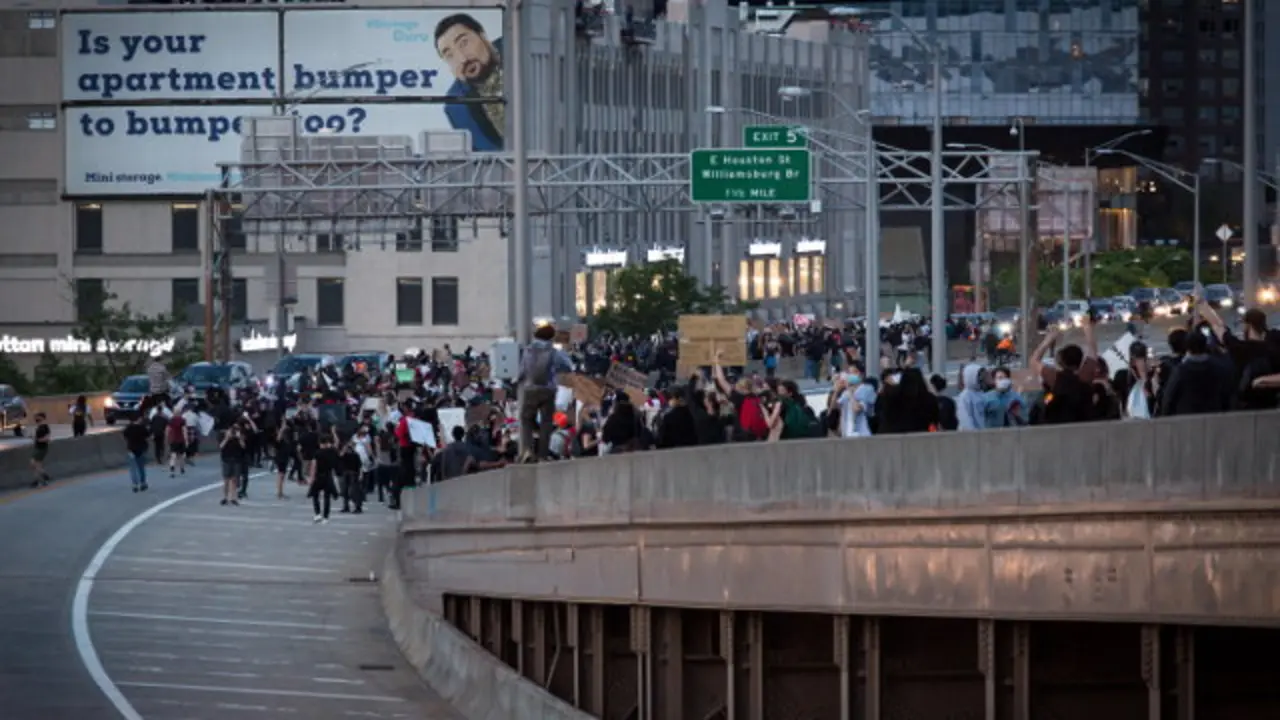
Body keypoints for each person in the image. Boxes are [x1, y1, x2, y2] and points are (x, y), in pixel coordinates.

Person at [434, 13, 505, 151]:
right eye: (449, 55)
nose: (462, 59)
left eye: (464, 43)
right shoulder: (455, 106)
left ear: (482, 36)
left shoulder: (521, 48)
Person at [517, 324, 573, 462]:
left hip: (530, 390)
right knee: (546, 422)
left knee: (526, 420)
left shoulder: (528, 350)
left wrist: (518, 381)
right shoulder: (553, 352)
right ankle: (543, 454)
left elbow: (522, 371)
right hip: (548, 390)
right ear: (550, 337)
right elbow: (568, 366)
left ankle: (527, 450)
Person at [309, 432, 340, 523]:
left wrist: (312, 478)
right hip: (328, 475)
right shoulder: (332, 452)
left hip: (319, 476)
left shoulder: (317, 453)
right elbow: (337, 443)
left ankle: (317, 514)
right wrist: (334, 432)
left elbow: (314, 466)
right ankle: (326, 517)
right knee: (327, 497)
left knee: (315, 495)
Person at [218, 423, 244, 506]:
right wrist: (227, 438)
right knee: (226, 480)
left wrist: (239, 438)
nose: (234, 432)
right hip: (226, 460)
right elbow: (221, 447)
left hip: (236, 460)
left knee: (234, 480)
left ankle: (233, 498)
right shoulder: (223, 436)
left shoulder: (239, 437)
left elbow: (243, 446)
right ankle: (225, 497)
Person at [123, 415, 150, 493]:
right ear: (138, 419)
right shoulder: (142, 428)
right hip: (141, 449)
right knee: (141, 468)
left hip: (131, 449)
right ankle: (143, 483)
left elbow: (125, 436)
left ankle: (135, 485)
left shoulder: (128, 428)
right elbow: (148, 436)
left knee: (133, 468)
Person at [29, 412, 51, 488]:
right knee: (37, 465)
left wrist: (38, 440)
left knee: (33, 463)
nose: (36, 419)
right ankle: (39, 480)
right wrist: (33, 438)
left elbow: (47, 438)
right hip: (37, 447)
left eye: (38, 417)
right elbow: (37, 437)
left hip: (42, 448)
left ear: (42, 418)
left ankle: (44, 476)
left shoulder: (45, 427)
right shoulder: (39, 426)